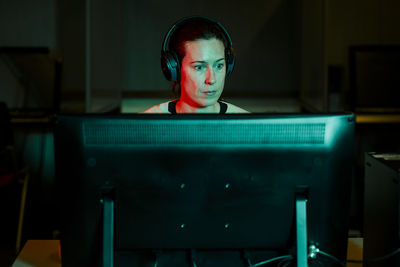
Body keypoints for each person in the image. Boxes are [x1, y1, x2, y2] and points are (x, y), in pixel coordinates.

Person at [143, 16, 249, 114]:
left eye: (219, 66)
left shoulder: (249, 127)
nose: (211, 80)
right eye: (199, 67)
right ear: (175, 70)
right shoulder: (144, 126)